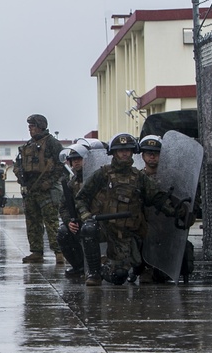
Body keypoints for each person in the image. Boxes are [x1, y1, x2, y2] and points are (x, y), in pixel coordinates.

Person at [75, 132, 190, 286]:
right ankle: (94, 273)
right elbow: (81, 197)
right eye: (120, 150)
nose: (124, 153)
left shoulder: (139, 177)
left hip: (125, 233)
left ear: (133, 152)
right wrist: (86, 215)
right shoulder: (102, 174)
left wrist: (178, 212)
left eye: (128, 150)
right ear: (114, 153)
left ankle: (109, 270)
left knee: (119, 276)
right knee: (88, 229)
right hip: (104, 226)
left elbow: (157, 198)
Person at [15, 114, 66, 264]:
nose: (30, 129)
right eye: (29, 126)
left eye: (32, 126)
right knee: (32, 221)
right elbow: (19, 163)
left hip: (47, 189)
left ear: (40, 126)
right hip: (31, 188)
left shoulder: (52, 143)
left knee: (51, 222)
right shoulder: (28, 145)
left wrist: (50, 181)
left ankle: (59, 252)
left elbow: (61, 164)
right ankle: (36, 251)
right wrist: (19, 174)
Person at [57, 144, 88, 280]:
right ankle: (79, 266)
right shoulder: (71, 183)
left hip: (97, 220)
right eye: (73, 159)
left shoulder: (96, 177)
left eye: (79, 159)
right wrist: (69, 221)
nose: (76, 162)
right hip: (78, 222)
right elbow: (63, 207)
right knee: (63, 233)